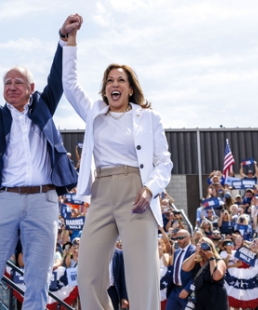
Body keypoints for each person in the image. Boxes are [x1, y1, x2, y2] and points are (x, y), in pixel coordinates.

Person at [0, 15, 80, 310]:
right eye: (6, 82)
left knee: (38, 278)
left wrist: (63, 37)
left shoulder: (45, 105)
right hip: (4, 199)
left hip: (43, 200)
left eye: (18, 81)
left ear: (31, 87)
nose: (11, 86)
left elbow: (58, 76)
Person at [62, 19, 173, 310]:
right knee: (87, 275)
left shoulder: (149, 118)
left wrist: (149, 189)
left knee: (141, 279)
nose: (114, 84)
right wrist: (69, 41)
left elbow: (164, 162)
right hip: (101, 193)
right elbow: (69, 85)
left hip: (137, 193)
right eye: (110, 80)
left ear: (130, 87)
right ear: (104, 88)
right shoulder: (94, 112)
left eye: (120, 80)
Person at [182, 237, 228, 310]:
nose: (203, 247)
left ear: (211, 247)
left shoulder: (219, 261)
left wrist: (211, 258)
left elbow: (215, 277)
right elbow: (184, 268)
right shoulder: (197, 261)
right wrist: (195, 253)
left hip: (215, 298)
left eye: (204, 245)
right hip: (200, 297)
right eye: (200, 245)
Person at [166, 230, 196, 310]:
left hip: (186, 292)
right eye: (177, 238)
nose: (178, 240)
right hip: (174, 289)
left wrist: (187, 289)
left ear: (188, 238)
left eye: (181, 238)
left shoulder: (195, 252)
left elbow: (197, 274)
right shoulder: (177, 252)